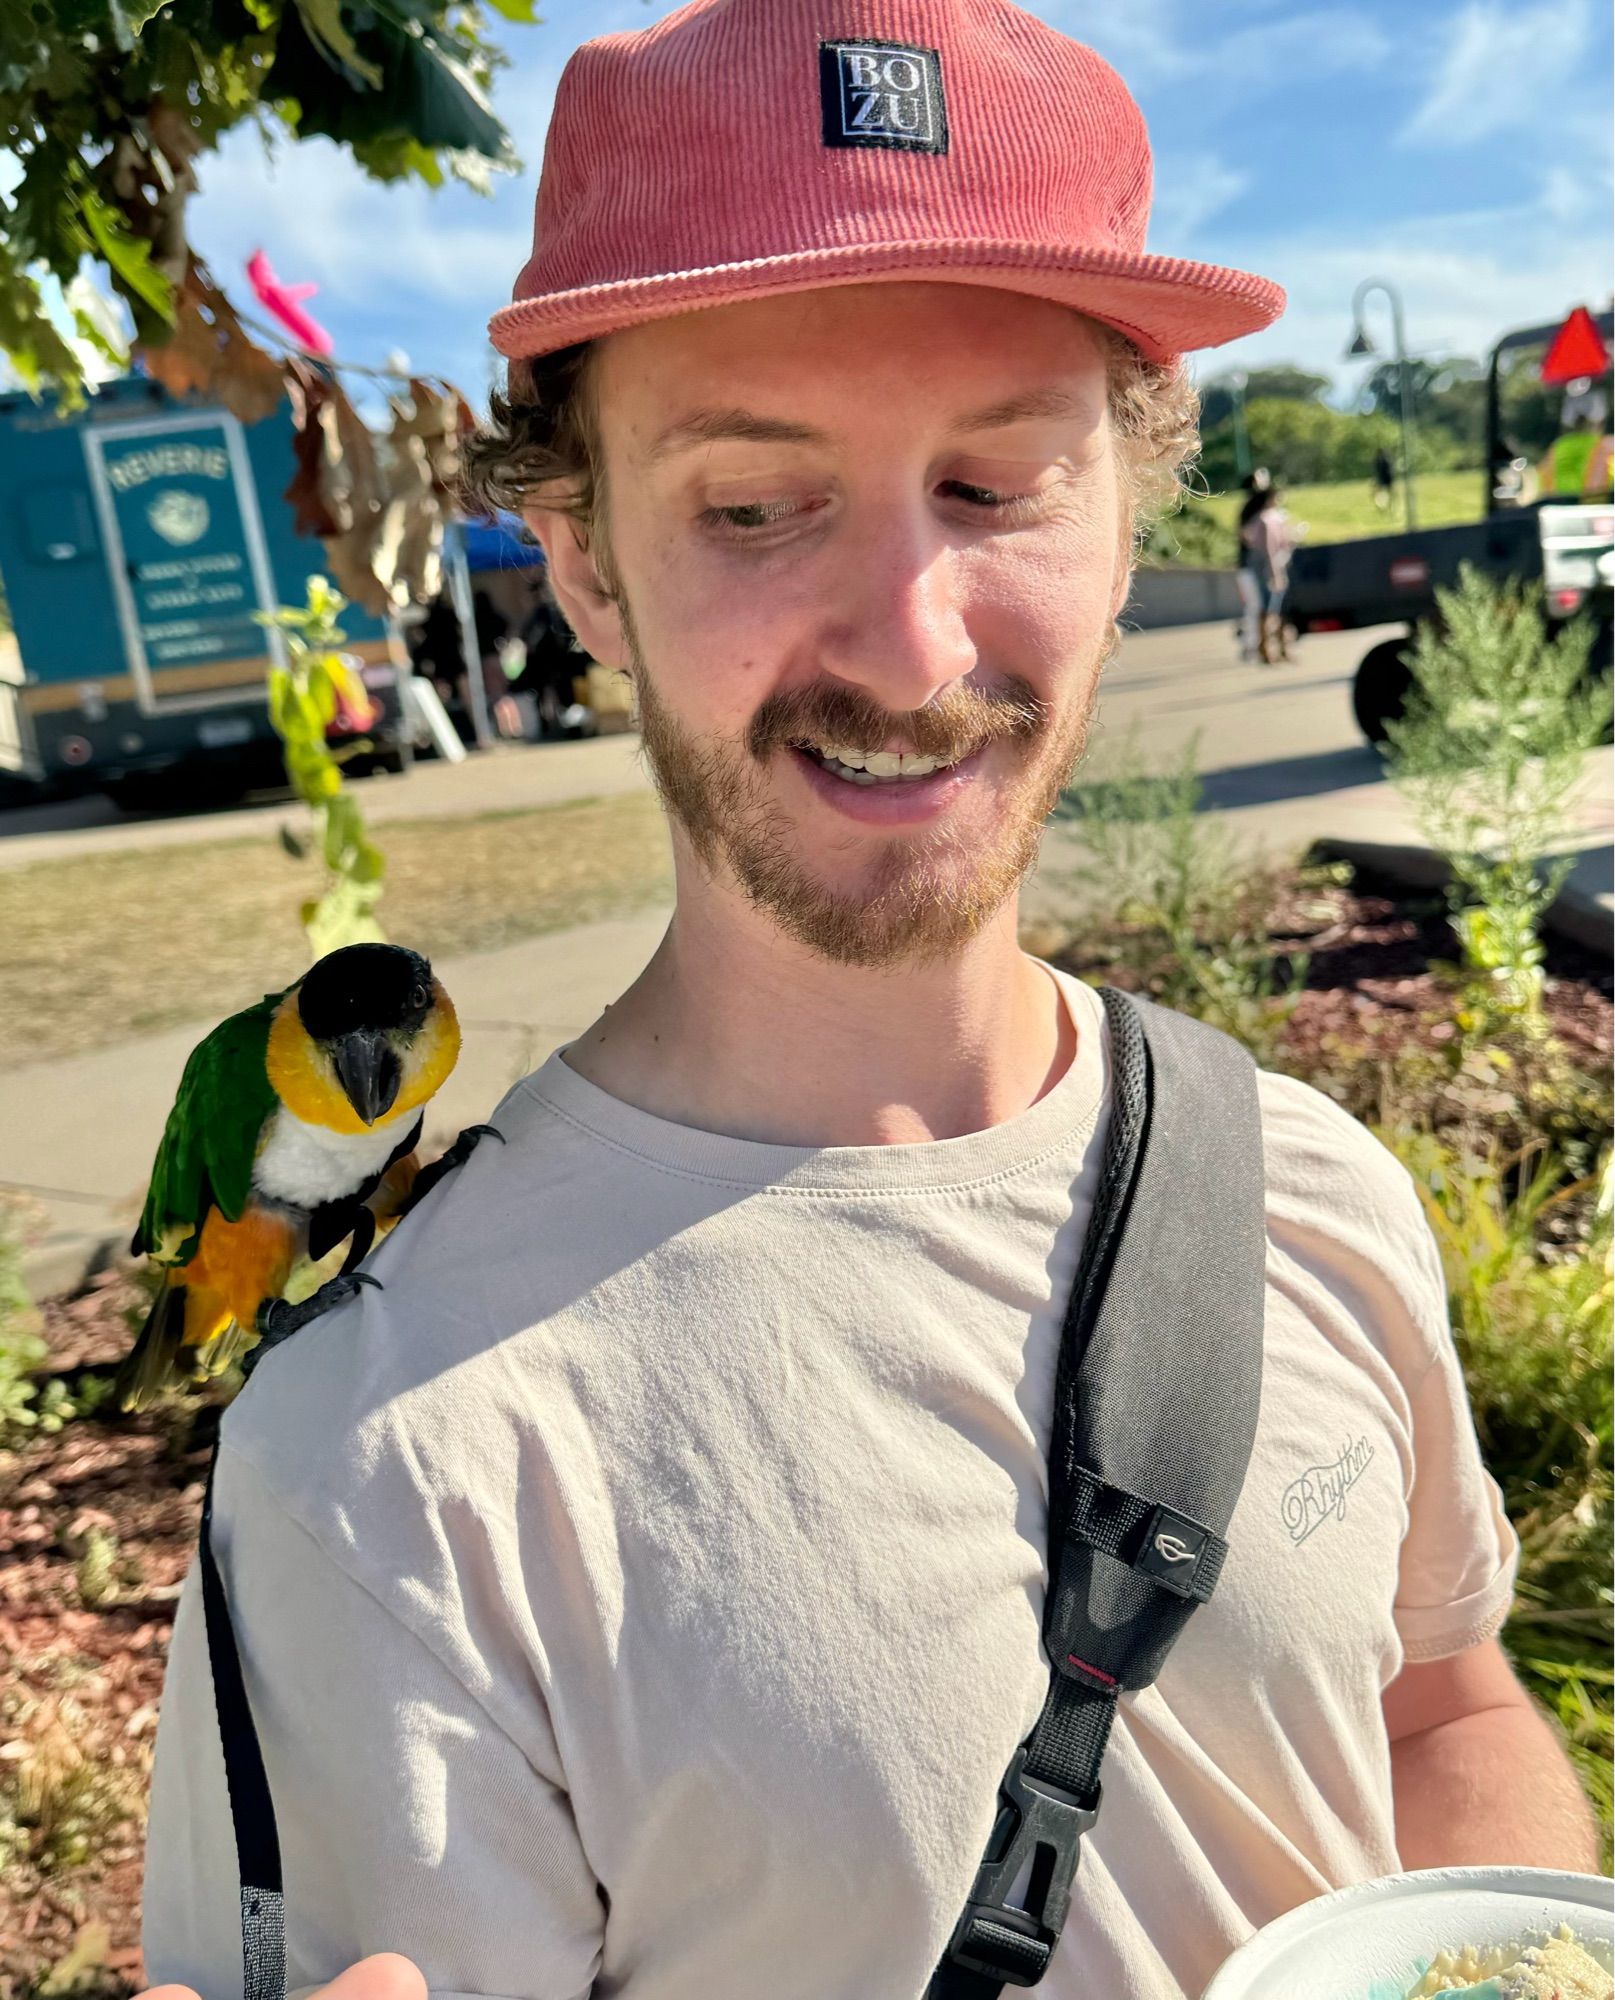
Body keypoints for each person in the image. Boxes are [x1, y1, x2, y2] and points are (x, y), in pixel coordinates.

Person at [138, 5, 1599, 1999]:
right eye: (752, 505)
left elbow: (1442, 1715)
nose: (910, 650)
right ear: (579, 562)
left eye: (996, 484)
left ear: (1125, 525)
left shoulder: (1307, 1190)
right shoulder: (384, 1458)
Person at [1239, 480, 1296, 664]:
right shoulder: (1266, 520)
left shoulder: (1269, 518)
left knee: (1275, 609)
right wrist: (1275, 574)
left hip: (1270, 568)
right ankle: (1267, 648)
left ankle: (1278, 647)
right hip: (1269, 570)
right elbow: (1269, 550)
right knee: (1270, 609)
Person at [1233, 467, 1272, 661]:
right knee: (1255, 606)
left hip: (1252, 565)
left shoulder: (1251, 507)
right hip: (1249, 565)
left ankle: (1252, 643)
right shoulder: (1252, 508)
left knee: (1256, 606)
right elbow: (1246, 535)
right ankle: (1250, 644)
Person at [1372, 444, 1395, 512]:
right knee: (1385, 493)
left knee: (1382, 493)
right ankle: (1386, 506)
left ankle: (1386, 506)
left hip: (1384, 479)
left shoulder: (1379, 460)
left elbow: (1379, 471)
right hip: (1386, 479)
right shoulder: (1386, 459)